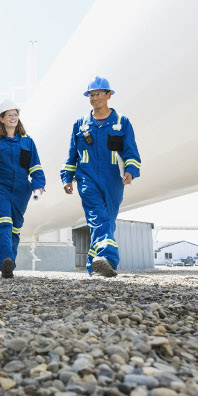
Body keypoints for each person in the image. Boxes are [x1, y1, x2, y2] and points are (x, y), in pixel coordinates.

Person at [60, 76, 141, 277]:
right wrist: (67, 178)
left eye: (99, 94)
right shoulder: (80, 124)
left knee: (108, 220)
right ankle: (108, 258)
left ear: (108, 95)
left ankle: (94, 265)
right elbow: (72, 154)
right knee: (98, 217)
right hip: (87, 178)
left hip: (113, 178)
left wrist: (131, 171)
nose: (95, 98)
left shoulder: (122, 122)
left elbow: (130, 151)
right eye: (91, 94)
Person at [0, 99, 45, 278]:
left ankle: (9, 264)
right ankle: (5, 258)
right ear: (1, 119)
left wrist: (38, 185)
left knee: (15, 227)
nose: (13, 118)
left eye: (16, 114)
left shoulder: (27, 142)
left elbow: (35, 167)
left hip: (22, 189)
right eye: (9, 115)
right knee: (3, 222)